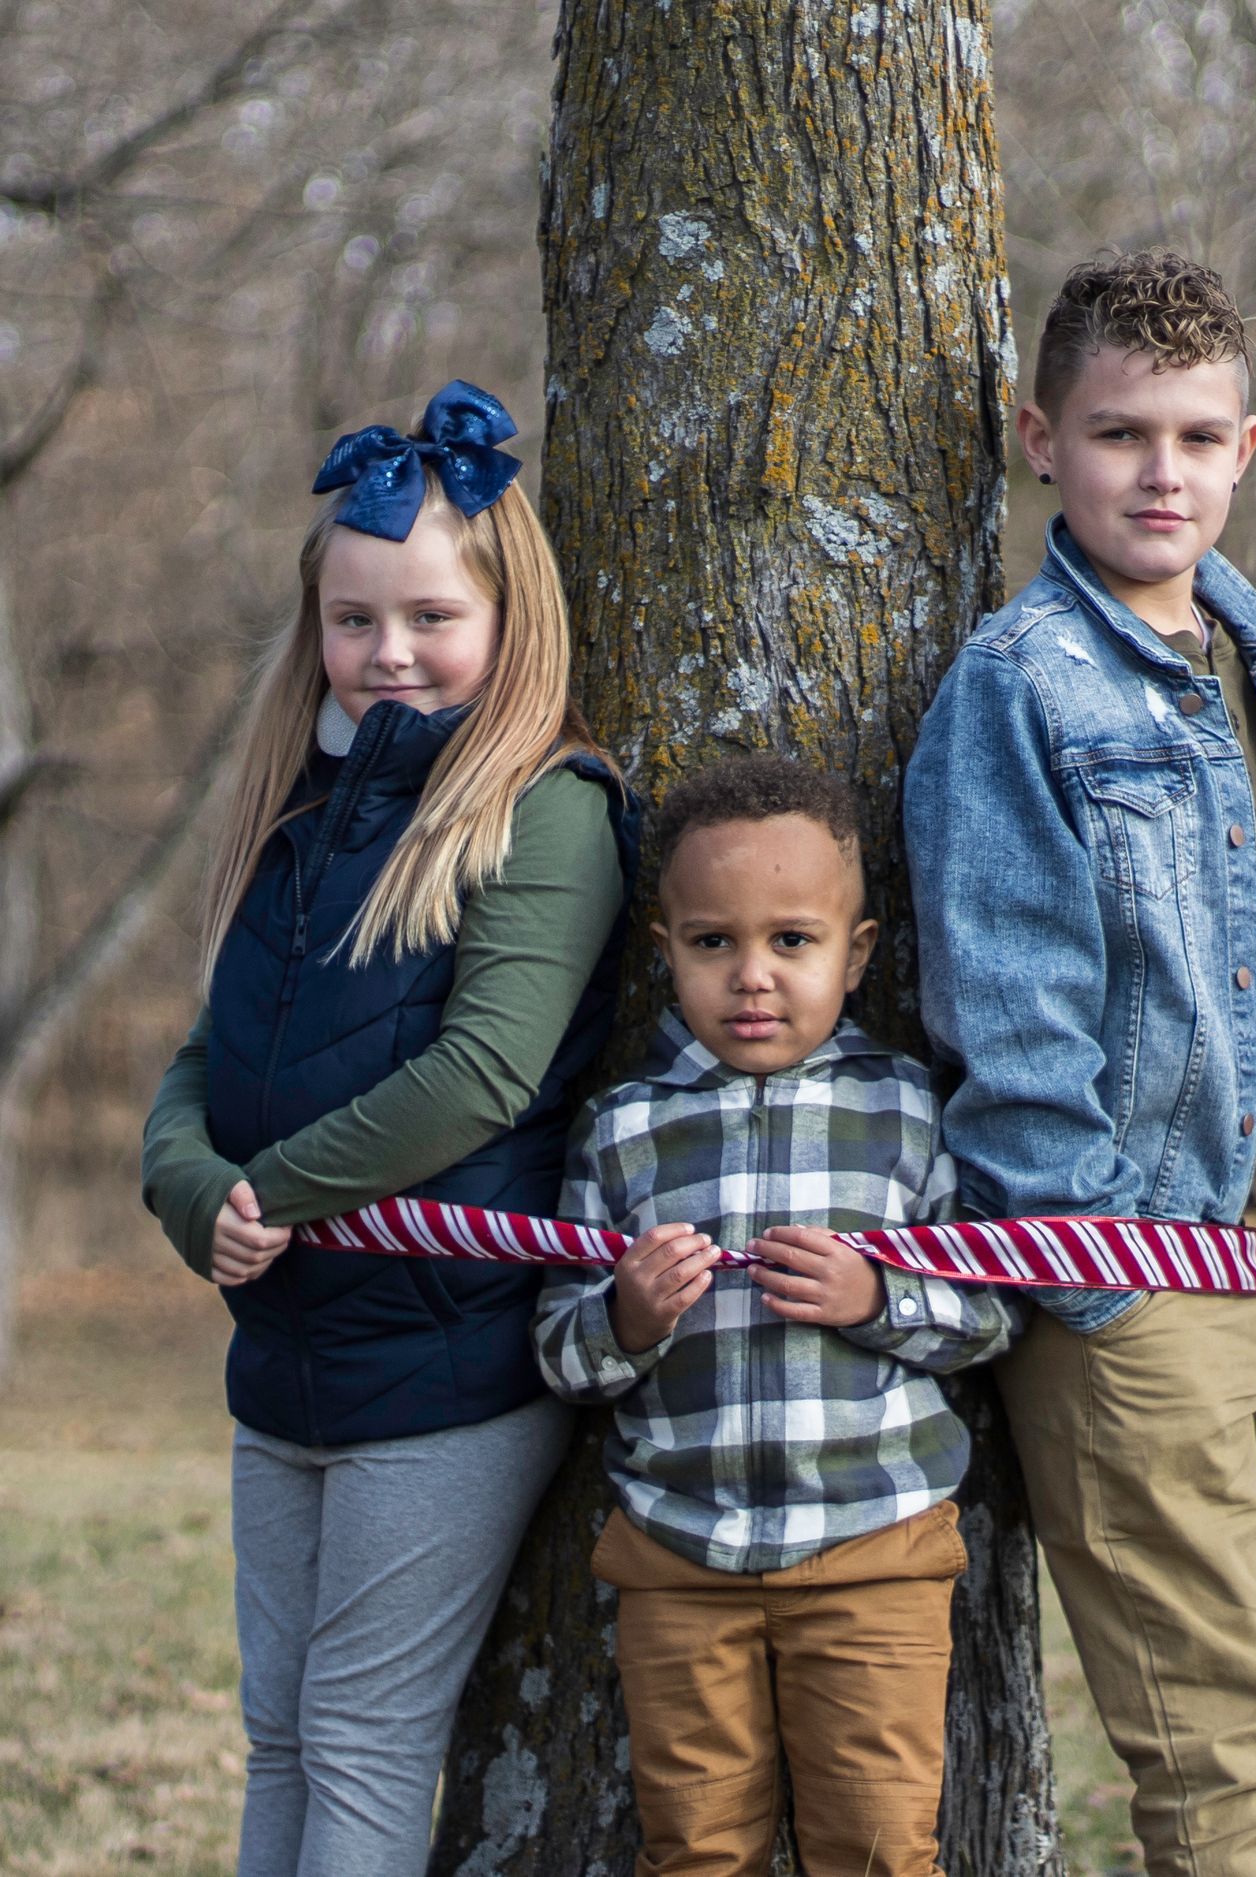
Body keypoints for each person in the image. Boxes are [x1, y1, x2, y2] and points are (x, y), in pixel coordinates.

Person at [904, 249, 1256, 1877]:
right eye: (1120, 433)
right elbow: (1010, 1008)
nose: (1159, 471)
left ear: (1246, 448)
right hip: (1134, 1280)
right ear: (1042, 438)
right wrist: (1097, 1267)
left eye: (1193, 435)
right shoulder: (1024, 682)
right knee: (1220, 1751)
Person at [141, 380, 637, 1877]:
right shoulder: (295, 813)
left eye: (430, 615)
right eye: (355, 622)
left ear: (507, 618)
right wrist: (195, 1190)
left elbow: (485, 1072)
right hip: (284, 1346)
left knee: (362, 1734)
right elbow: (198, 1058)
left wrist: (275, 1187)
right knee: (281, 1734)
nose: (391, 653)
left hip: (445, 1360)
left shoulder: (544, 810)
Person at [532, 757, 1018, 1877]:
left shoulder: (909, 1110)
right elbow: (560, 1347)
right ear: (666, 953)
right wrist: (630, 1318)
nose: (753, 976)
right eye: (714, 942)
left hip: (872, 1549)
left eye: (792, 940)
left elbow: (992, 1314)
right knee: (696, 1850)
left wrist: (877, 1297)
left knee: (882, 1846)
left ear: (859, 951)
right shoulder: (623, 1129)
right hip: (679, 1556)